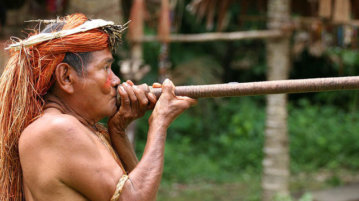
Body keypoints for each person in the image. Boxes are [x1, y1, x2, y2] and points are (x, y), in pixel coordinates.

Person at [0, 13, 197, 201]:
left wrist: (118, 131)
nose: (116, 80)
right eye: (105, 68)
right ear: (66, 77)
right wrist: (160, 122)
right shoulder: (57, 129)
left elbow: (139, 191)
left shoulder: (62, 127)